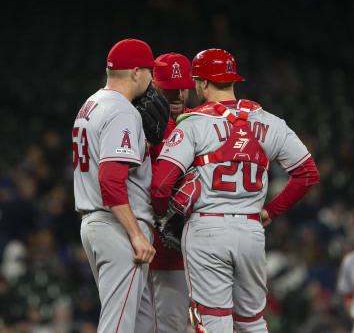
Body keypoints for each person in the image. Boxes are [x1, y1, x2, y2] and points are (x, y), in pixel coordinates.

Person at [150, 49, 320, 333]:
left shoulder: (192, 123)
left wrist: (166, 215)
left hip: (207, 229)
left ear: (202, 83)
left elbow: (160, 185)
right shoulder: (268, 120)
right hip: (251, 230)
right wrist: (270, 211)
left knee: (214, 322)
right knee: (252, 321)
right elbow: (307, 174)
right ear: (232, 80)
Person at [73, 38, 168, 332]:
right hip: (117, 228)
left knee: (137, 323)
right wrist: (136, 234)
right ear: (136, 72)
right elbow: (111, 181)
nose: (152, 79)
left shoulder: (91, 104)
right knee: (118, 326)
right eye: (149, 71)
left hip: (97, 223)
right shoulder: (122, 110)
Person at [149, 52, 195, 333]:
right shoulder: (146, 126)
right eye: (169, 88)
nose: (177, 94)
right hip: (158, 246)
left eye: (183, 87)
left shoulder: (196, 123)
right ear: (154, 85)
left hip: (188, 248)